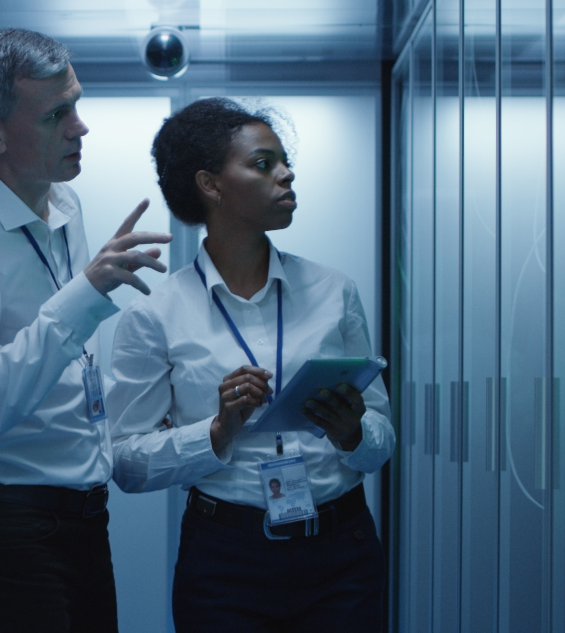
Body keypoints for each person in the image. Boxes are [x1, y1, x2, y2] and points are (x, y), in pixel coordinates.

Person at [0, 28, 171, 633]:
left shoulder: (65, 205)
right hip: (4, 531)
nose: (80, 127)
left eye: (76, 104)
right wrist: (87, 292)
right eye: (56, 114)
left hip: (81, 521)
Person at [108, 97, 395, 632]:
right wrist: (215, 432)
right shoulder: (155, 316)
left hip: (342, 552)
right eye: (263, 164)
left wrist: (353, 433)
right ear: (211, 186)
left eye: (285, 161)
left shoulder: (336, 292)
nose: (286, 174)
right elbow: (126, 462)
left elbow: (382, 439)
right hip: (225, 561)